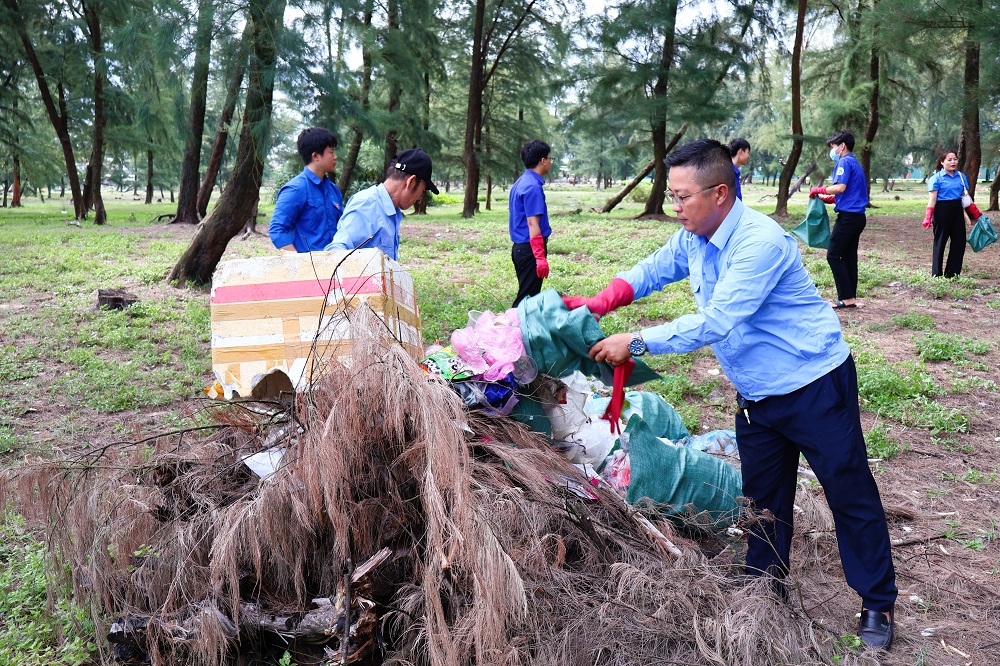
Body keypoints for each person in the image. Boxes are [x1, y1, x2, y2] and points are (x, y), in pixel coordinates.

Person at [564, 138, 898, 651]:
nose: (675, 208)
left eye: (682, 198)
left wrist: (634, 341)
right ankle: (766, 583)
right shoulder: (694, 236)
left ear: (719, 193)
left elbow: (717, 321)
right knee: (763, 495)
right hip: (757, 395)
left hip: (813, 385)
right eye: (671, 197)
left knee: (847, 490)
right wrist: (601, 301)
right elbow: (652, 269)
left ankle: (877, 601)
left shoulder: (758, 242)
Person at [324, 148, 438, 261]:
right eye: (422, 192)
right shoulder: (366, 205)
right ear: (411, 182)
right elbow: (336, 252)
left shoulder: (392, 211)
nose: (419, 198)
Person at [809, 130, 867, 309]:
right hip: (857, 217)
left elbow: (840, 187)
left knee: (833, 255)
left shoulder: (844, 161)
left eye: (833, 146)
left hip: (848, 219)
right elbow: (849, 193)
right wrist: (828, 199)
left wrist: (819, 190)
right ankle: (850, 298)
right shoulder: (855, 163)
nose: (832, 150)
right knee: (849, 257)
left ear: (842, 145)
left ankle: (846, 296)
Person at [269, 128, 344, 252]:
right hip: (309, 267)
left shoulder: (333, 190)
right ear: (315, 156)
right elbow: (277, 230)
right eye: (331, 152)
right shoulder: (295, 189)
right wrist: (299, 264)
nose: (335, 157)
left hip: (335, 264)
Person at [922, 150, 984, 278]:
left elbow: (965, 197)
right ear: (942, 162)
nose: (953, 162)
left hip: (957, 210)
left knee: (959, 242)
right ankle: (936, 274)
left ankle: (952, 274)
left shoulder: (961, 177)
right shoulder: (937, 178)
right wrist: (928, 216)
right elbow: (932, 199)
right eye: (949, 160)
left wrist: (976, 213)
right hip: (942, 211)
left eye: (955, 159)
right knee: (940, 242)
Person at [509, 139, 553, 307]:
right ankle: (507, 330)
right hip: (530, 250)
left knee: (529, 297)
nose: (550, 162)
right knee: (525, 301)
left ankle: (520, 330)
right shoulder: (532, 186)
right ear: (543, 160)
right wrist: (540, 257)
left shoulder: (521, 182)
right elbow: (532, 223)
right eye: (549, 158)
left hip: (521, 248)